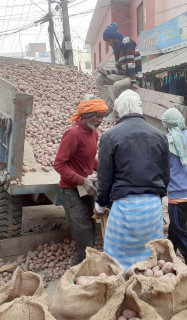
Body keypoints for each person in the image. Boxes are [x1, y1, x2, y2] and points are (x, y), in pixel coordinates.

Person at [95, 90, 169, 271]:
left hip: (124, 209)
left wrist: (101, 204)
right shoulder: (159, 136)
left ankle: (123, 293)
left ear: (119, 111)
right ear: (140, 108)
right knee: (150, 260)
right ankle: (146, 292)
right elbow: (166, 177)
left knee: (117, 259)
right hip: (152, 210)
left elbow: (104, 177)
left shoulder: (110, 136)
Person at [53, 97, 108, 266]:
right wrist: (81, 180)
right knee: (83, 234)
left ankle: (86, 265)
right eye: (96, 116)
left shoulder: (94, 133)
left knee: (90, 228)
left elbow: (90, 160)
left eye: (102, 116)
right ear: (85, 115)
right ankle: (77, 272)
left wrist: (105, 169)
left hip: (85, 188)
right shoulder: (73, 134)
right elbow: (59, 164)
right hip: (71, 191)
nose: (99, 120)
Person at [162, 108, 187, 267]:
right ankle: (168, 259)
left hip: (178, 195)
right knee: (174, 228)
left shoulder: (170, 142)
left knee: (179, 230)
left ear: (168, 126)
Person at [95, 22, 142, 110]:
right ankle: (109, 106)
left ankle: (117, 112)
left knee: (116, 85)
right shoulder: (116, 48)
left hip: (134, 77)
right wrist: (108, 72)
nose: (108, 43)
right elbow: (119, 70)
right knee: (99, 79)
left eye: (108, 41)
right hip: (123, 76)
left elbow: (131, 63)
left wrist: (133, 81)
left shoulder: (127, 41)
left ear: (113, 38)